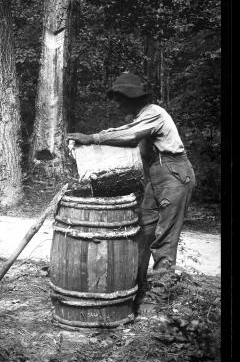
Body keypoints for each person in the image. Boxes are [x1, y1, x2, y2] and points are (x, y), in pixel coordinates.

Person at [67, 72, 195, 313]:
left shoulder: (153, 113)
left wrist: (92, 138)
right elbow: (124, 135)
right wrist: (90, 142)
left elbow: (130, 135)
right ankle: (134, 286)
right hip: (157, 176)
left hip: (174, 174)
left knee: (164, 237)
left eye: (121, 98)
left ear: (133, 98)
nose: (118, 103)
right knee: (143, 233)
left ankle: (158, 295)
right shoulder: (139, 118)